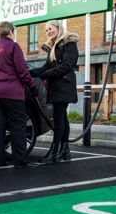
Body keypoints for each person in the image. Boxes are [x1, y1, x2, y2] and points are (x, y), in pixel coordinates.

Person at [0, 21, 40, 168]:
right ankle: (21, 161)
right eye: (14, 32)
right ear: (10, 32)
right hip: (11, 93)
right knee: (19, 124)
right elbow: (22, 70)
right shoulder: (13, 46)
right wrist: (32, 87)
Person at [30, 20, 80, 163]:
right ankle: (64, 149)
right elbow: (46, 66)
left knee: (58, 117)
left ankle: (54, 151)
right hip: (57, 86)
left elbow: (66, 66)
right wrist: (30, 72)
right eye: (46, 30)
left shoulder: (69, 44)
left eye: (50, 29)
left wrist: (44, 75)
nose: (48, 32)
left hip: (64, 86)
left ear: (58, 28)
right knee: (62, 117)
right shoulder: (53, 48)